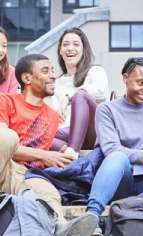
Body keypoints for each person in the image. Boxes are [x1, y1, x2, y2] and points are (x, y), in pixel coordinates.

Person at [0, 54, 97, 236]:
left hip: (22, 177)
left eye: (53, 71)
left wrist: (64, 153)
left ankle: (58, 232)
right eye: (46, 71)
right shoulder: (2, 101)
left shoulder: (52, 116)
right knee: (6, 136)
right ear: (27, 79)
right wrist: (45, 155)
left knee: (47, 190)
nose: (53, 76)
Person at [84, 57, 143, 232]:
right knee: (117, 157)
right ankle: (91, 216)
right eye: (140, 82)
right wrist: (142, 156)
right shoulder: (107, 109)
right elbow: (111, 148)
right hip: (119, 179)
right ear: (125, 78)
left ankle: (120, 216)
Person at [46, 27, 109, 156]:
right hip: (64, 135)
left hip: (92, 132)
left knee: (81, 96)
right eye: (65, 45)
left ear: (83, 50)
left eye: (76, 44)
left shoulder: (95, 71)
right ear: (60, 51)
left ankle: (73, 151)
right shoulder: (56, 83)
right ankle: (68, 152)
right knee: (40, 133)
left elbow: (101, 92)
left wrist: (69, 97)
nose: (70, 48)